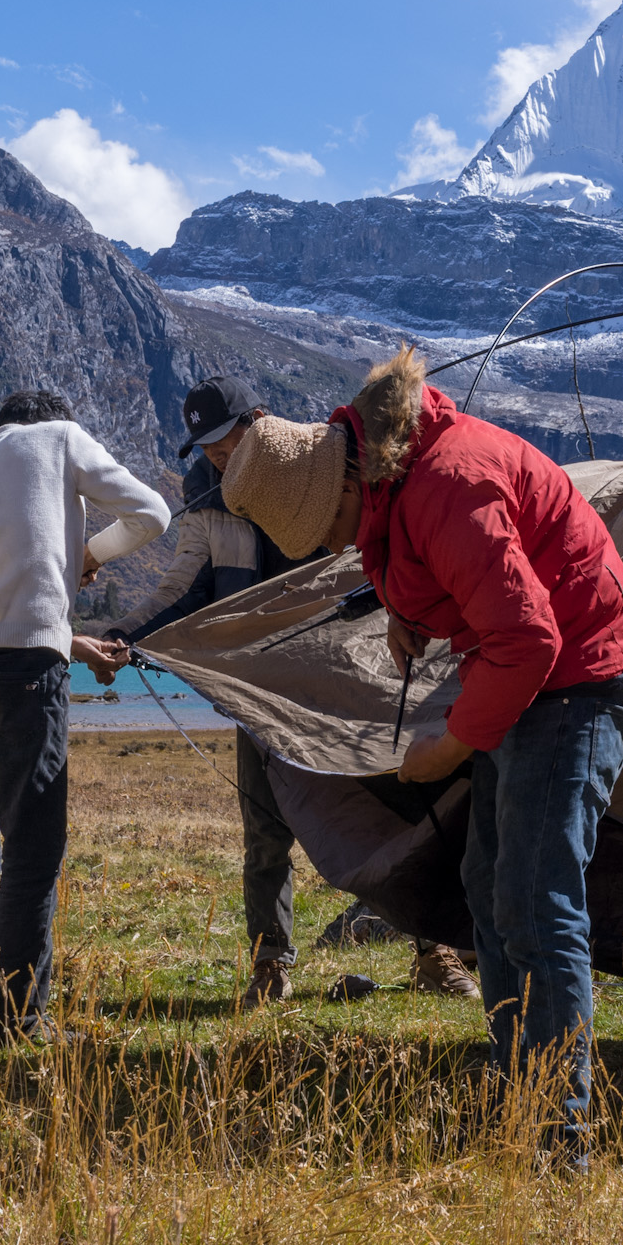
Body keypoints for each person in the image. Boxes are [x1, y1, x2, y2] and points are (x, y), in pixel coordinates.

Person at [224, 347, 623, 1157]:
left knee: (534, 898)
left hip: (579, 678)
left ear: (348, 483)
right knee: (490, 886)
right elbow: (418, 557)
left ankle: (558, 1133)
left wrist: (451, 745)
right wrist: (405, 609)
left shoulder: (447, 485)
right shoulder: (393, 476)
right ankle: (519, 1085)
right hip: (529, 676)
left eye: (332, 530)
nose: (338, 544)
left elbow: (529, 638)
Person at [118, 378, 479, 1007]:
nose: (216, 457)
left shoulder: (314, 468)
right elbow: (182, 586)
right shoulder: (205, 494)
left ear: (257, 420)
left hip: (349, 675)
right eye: (204, 448)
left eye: (223, 442)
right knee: (265, 829)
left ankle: (436, 949)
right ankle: (271, 964)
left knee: (399, 803)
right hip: (257, 686)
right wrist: (122, 636)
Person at [0, 387, 169, 1037]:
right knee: (32, 846)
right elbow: (151, 514)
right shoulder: (59, 438)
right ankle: (18, 1017)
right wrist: (88, 555)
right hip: (22, 681)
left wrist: (74, 641)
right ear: (55, 423)